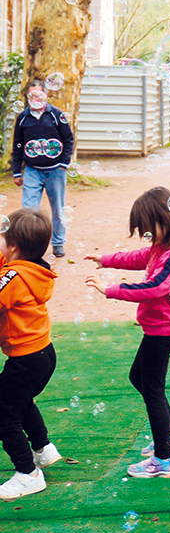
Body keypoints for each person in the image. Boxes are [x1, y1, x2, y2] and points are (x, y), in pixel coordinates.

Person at [85, 187, 170, 479]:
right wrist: (107, 259)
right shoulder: (163, 247)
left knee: (152, 390)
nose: (147, 235)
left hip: (163, 331)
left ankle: (164, 459)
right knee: (138, 378)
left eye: (149, 228)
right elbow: (141, 257)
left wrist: (110, 289)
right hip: (159, 328)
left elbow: (154, 288)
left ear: (167, 218)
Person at [0, 210, 60, 500]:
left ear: (12, 247)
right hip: (44, 354)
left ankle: (28, 474)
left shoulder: (12, 276)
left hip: (25, 361)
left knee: (4, 415)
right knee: (19, 401)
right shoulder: (31, 268)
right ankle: (43, 449)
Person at [11, 80, 75, 258]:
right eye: (31, 95)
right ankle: (29, 246)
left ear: (46, 95)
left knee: (58, 209)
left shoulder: (56, 115)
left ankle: (58, 243)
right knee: (29, 209)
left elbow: (68, 140)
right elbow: (17, 146)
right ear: (27, 97)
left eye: (38, 94)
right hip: (32, 170)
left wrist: (64, 164)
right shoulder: (23, 118)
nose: (35, 98)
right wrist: (17, 171)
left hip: (55, 170)